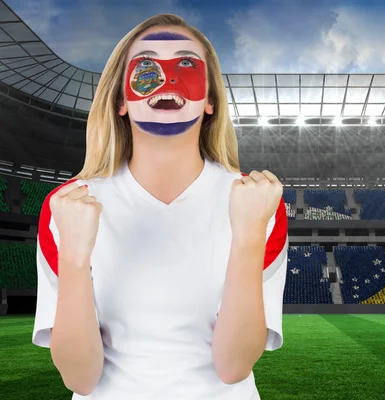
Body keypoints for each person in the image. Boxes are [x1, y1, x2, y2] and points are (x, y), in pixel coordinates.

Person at [32, 13, 288, 400]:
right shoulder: (67, 205)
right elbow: (79, 378)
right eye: (147, 66)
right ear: (120, 100)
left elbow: (233, 367)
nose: (167, 80)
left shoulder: (259, 202)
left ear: (210, 101)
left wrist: (249, 237)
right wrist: (74, 258)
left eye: (186, 64)